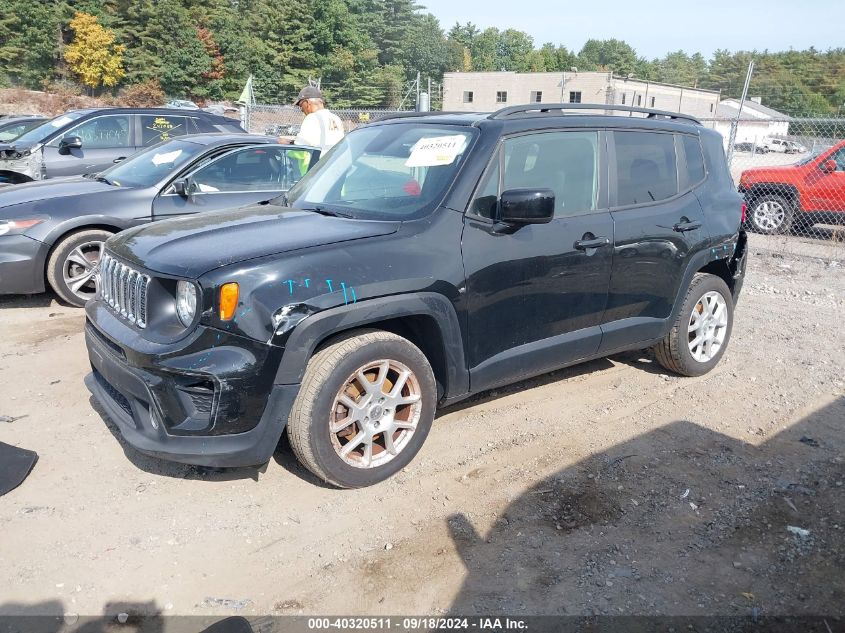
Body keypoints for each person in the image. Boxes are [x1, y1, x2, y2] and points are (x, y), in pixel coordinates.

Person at [279, 85, 344, 153]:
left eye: (301, 105)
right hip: (334, 162)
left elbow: (299, 149)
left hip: (318, 162)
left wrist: (286, 146)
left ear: (307, 103)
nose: (301, 109)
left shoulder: (312, 118)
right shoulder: (336, 119)